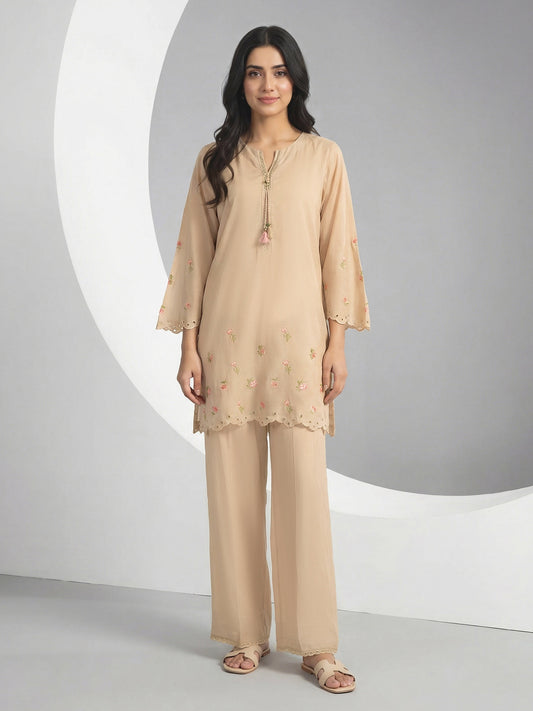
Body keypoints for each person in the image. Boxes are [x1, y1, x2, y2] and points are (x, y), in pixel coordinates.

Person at [156, 25, 370, 694]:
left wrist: (337, 343)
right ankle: (246, 634)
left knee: (304, 494)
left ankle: (316, 646)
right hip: (226, 344)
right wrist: (188, 346)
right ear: (239, 82)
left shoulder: (323, 157)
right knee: (233, 494)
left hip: (300, 347)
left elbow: (339, 253)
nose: (267, 84)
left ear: (295, 80)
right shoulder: (213, 159)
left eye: (278, 71)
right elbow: (194, 255)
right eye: (254, 72)